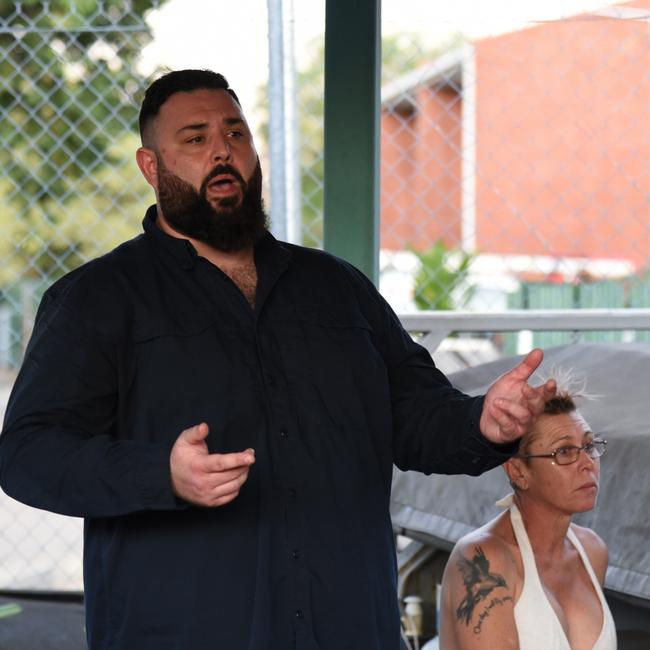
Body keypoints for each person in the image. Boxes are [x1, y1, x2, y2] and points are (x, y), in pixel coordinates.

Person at [0, 69, 555, 650]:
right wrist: (159, 473)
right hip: (183, 630)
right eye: (194, 138)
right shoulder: (99, 299)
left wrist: (483, 423)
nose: (222, 151)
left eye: (235, 133)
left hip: (346, 623)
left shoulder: (337, 288)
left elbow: (416, 415)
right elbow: (28, 456)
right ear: (150, 166)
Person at [439, 379, 616, 650]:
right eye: (565, 451)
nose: (587, 463)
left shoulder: (592, 551)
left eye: (590, 445)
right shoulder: (483, 560)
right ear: (517, 471)